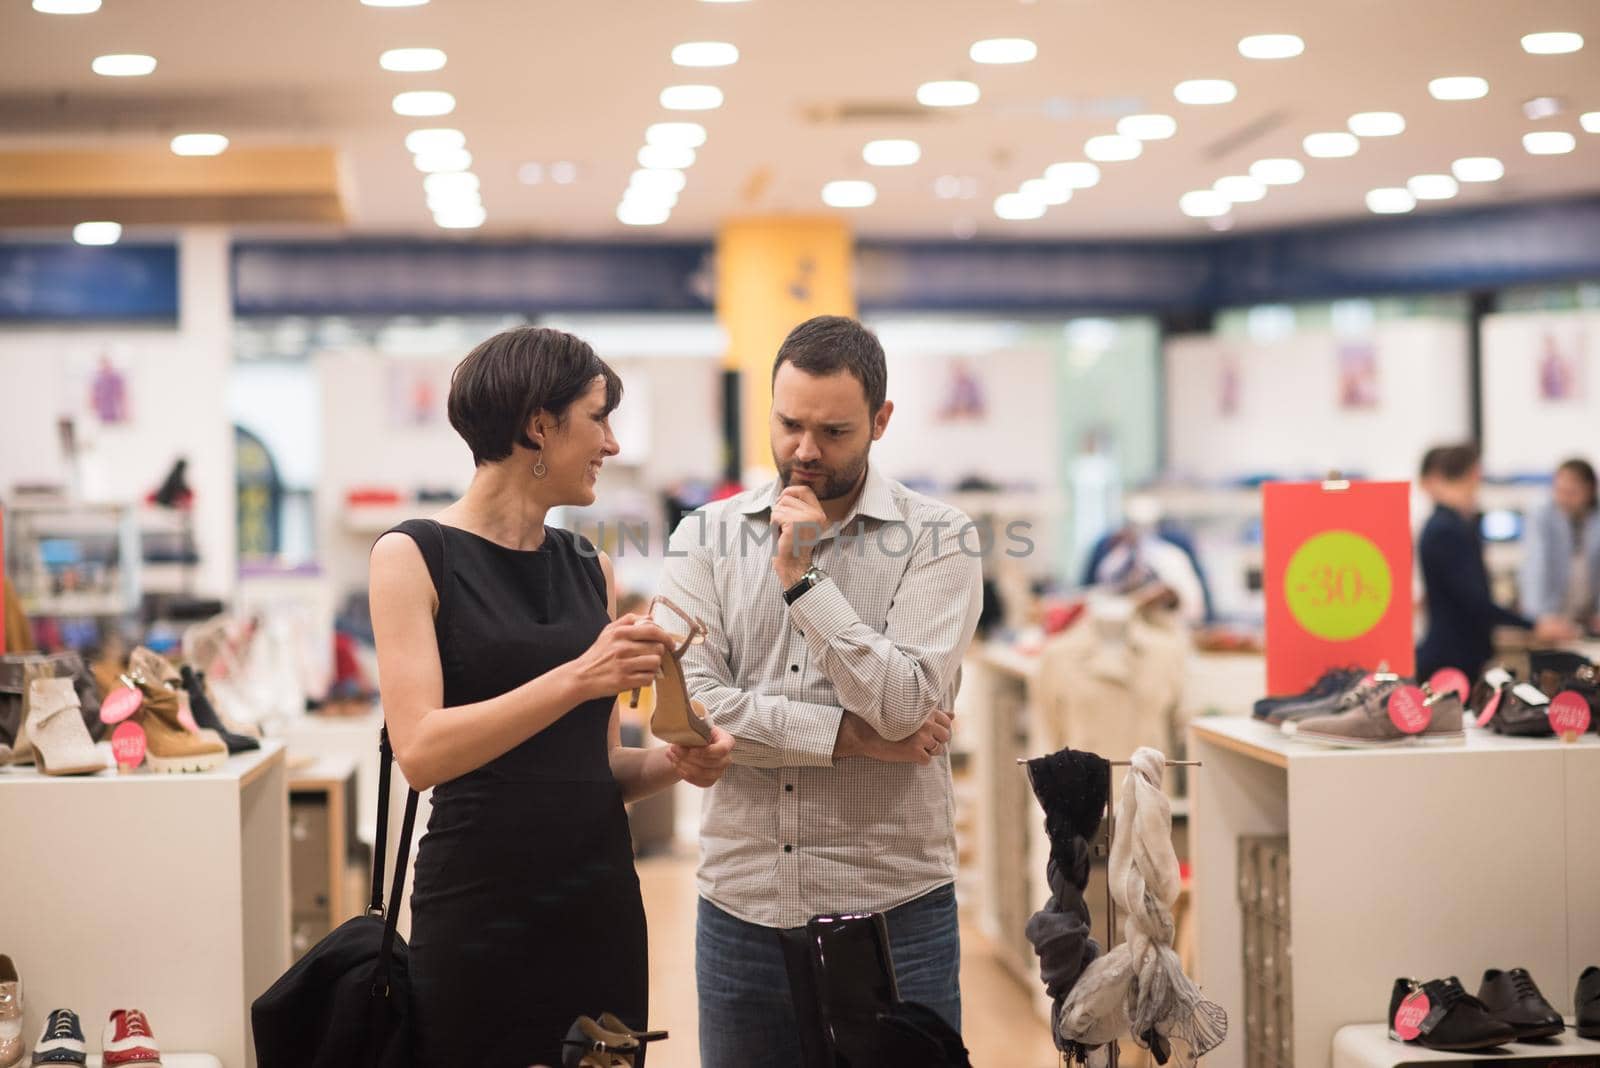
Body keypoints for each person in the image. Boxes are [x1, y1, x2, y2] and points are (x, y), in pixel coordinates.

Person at [367, 327, 734, 1068]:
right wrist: (578, 678)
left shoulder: (585, 567)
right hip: (478, 912)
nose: (612, 444)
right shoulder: (411, 556)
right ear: (540, 424)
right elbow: (421, 751)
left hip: (597, 906)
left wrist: (676, 762)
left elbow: (596, 771)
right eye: (598, 418)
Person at [658, 315, 984, 1067]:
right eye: (788, 424)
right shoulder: (703, 538)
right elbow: (694, 707)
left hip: (896, 907)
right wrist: (852, 737)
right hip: (743, 907)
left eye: (833, 431)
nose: (804, 451)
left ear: (881, 420)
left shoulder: (941, 538)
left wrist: (802, 580)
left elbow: (905, 706)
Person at [1415, 444, 1568, 681]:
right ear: (1474, 474)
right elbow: (1474, 602)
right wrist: (1532, 625)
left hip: (1456, 653)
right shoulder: (1446, 529)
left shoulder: (1451, 525)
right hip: (1452, 658)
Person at [1519, 458, 1600, 637]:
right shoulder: (1542, 515)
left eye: (1572, 492)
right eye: (1559, 491)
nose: (1563, 498)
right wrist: (1539, 617)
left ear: (1590, 490)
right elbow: (1536, 565)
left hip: (1589, 618)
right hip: (1552, 615)